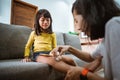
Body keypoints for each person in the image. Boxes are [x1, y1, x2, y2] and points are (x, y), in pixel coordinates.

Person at [49, 0, 120, 80]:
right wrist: (69, 48)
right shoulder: (105, 40)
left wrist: (84, 73)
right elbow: (90, 57)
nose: (77, 27)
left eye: (76, 20)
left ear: (89, 14)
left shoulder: (114, 25)